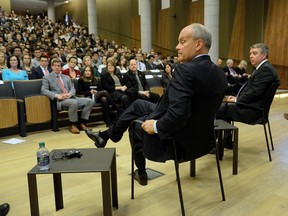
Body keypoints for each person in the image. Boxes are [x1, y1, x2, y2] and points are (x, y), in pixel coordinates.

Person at [85, 23, 227, 186]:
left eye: (182, 42)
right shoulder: (220, 73)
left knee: (134, 126)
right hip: (202, 138)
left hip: (178, 137)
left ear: (198, 44)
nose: (177, 46)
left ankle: (142, 172)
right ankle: (107, 135)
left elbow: (178, 115)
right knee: (139, 104)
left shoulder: (185, 70)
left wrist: (157, 126)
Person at [216, 43, 279, 148]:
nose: (250, 56)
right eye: (250, 53)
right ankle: (226, 141)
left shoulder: (265, 70)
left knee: (219, 109)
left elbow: (255, 92)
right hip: (254, 107)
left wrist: (237, 100)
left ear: (264, 55)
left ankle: (212, 144)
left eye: (254, 53)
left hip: (253, 111)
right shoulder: (263, 68)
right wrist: (236, 98)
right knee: (224, 107)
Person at [41, 59, 94, 134]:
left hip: (71, 97)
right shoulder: (47, 77)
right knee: (74, 103)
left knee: (90, 101)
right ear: (52, 67)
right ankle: (72, 125)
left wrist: (70, 94)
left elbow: (72, 88)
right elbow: (44, 90)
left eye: (58, 66)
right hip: (60, 100)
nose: (57, 67)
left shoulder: (66, 77)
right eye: (55, 65)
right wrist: (57, 95)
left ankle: (82, 123)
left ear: (61, 68)